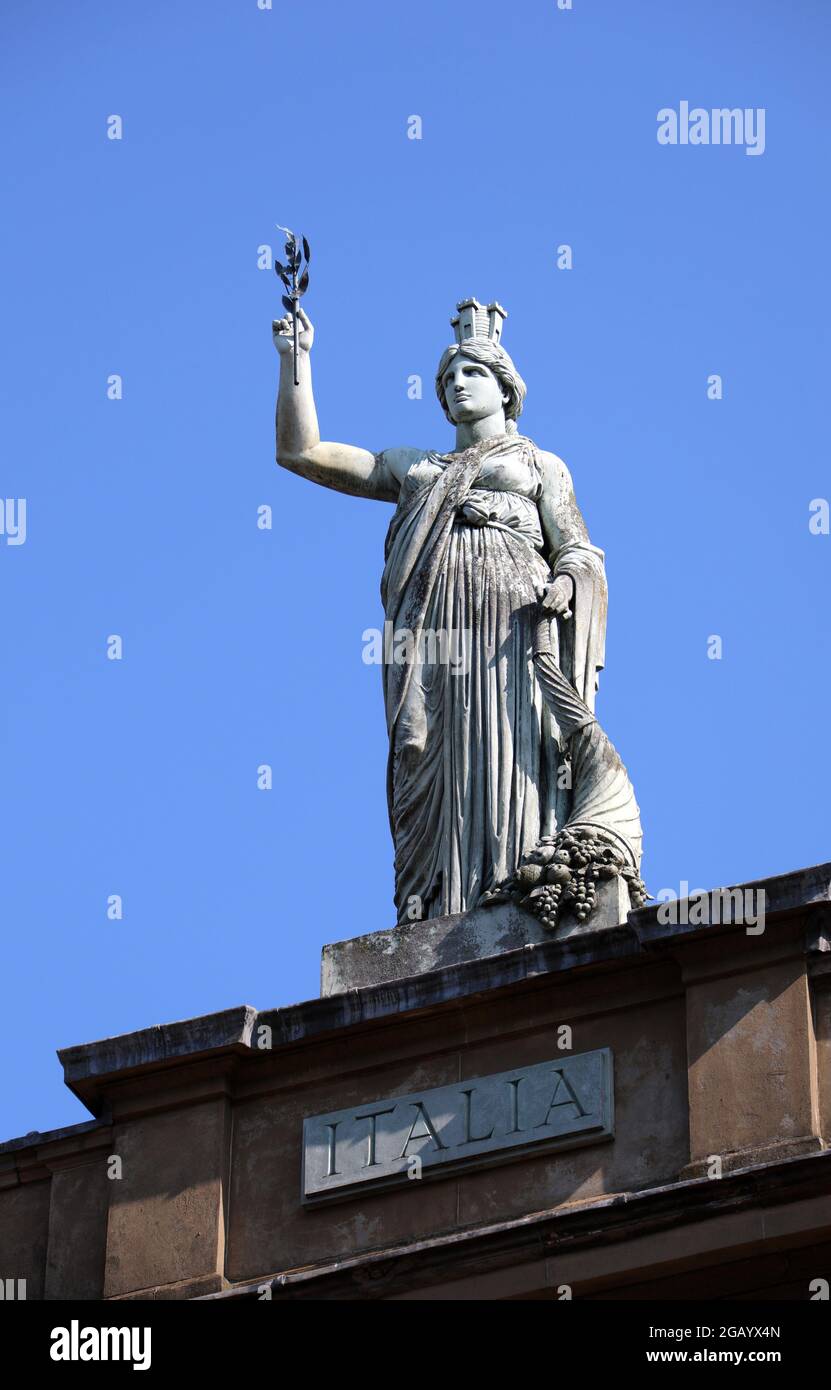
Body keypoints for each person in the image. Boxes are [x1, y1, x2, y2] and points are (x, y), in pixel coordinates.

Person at [274, 300, 610, 925]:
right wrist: (296, 361)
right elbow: (302, 453)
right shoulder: (416, 468)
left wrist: (568, 580)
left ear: (507, 390)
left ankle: (522, 885)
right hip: (433, 637)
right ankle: (440, 902)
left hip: (514, 630)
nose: (456, 385)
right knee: (435, 754)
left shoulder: (540, 466)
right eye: (448, 378)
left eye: (472, 373)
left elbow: (579, 550)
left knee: (512, 751)